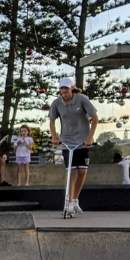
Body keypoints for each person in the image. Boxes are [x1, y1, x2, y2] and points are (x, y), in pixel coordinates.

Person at [49, 77, 98, 215]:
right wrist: (54, 136)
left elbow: (94, 118)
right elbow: (52, 121)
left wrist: (89, 137)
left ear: (71, 88)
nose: (63, 91)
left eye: (66, 88)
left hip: (82, 140)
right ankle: (68, 203)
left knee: (82, 171)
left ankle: (75, 199)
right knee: (71, 172)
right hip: (67, 141)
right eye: (61, 88)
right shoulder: (57, 103)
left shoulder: (82, 99)